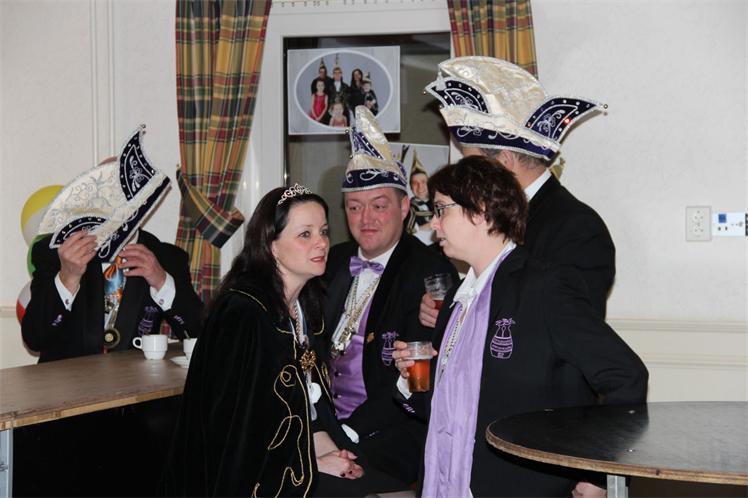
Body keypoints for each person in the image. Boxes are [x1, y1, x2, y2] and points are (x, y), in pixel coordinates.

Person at [392, 156, 648, 497]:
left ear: (480, 210)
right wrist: (411, 378)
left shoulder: (544, 287)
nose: (433, 224)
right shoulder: (458, 296)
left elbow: (626, 376)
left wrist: (598, 473)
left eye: (441, 210)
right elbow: (446, 414)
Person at [161, 185, 404, 497]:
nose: (321, 242)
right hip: (258, 478)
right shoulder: (244, 313)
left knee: (395, 492)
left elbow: (308, 408)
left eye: (324, 231)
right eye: (305, 234)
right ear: (271, 246)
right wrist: (313, 465)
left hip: (299, 458)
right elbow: (237, 431)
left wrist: (332, 453)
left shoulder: (305, 307)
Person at [17, 125, 203, 496]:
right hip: (65, 413)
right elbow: (34, 338)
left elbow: (199, 331)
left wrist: (161, 280)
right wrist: (67, 276)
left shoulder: (166, 257)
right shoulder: (55, 254)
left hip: (139, 415)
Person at [423, 56, 616, 320]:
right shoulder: (486, 217)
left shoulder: (577, 228)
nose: (465, 177)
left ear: (504, 163)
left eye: (473, 165)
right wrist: (453, 312)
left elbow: (569, 323)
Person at [323, 107, 457, 484]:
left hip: (395, 430)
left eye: (379, 206)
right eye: (354, 207)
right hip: (327, 423)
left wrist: (348, 434)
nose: (366, 218)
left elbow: (418, 381)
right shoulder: (331, 262)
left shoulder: (431, 272)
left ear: (404, 206)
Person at [404, 150, 434, 245]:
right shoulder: (406, 208)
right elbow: (406, 234)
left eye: (423, 182)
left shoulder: (439, 204)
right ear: (411, 187)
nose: (420, 187)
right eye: (415, 183)